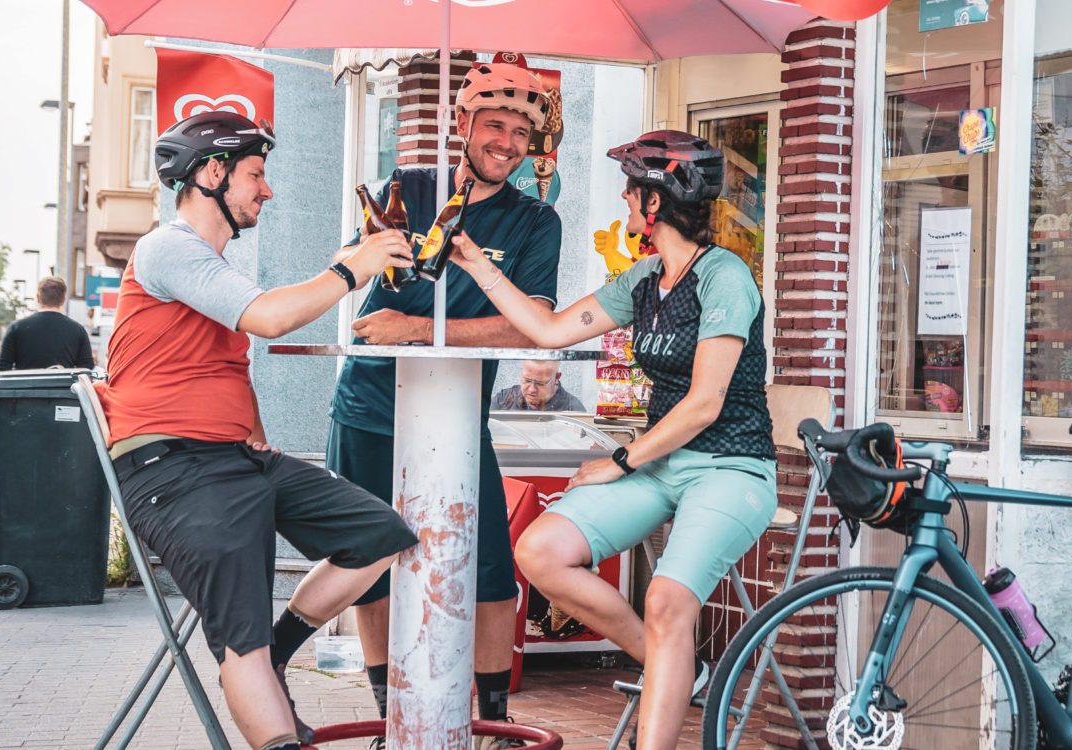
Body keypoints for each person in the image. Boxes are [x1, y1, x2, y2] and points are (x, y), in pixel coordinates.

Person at [99, 111, 419, 750]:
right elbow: (269, 319)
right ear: (212, 173)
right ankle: (263, 678)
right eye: (256, 175)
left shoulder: (210, 265)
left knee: (381, 534)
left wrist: (256, 433)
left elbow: (225, 364)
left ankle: (280, 653)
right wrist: (353, 269)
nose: (267, 190)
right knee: (241, 637)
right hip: (170, 469)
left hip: (229, 458)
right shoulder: (167, 247)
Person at [451, 130, 772, 750]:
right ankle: (674, 664)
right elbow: (547, 331)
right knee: (540, 552)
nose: (623, 199)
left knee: (670, 601)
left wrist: (620, 460)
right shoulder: (646, 280)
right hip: (663, 465)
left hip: (732, 467)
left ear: (655, 203)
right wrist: (478, 265)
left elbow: (705, 405)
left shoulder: (724, 276)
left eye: (631, 188)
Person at [324, 62, 562, 750]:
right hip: (368, 404)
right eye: (495, 125)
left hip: (459, 420)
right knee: (371, 564)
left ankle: (494, 722)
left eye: (521, 132)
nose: (508, 142)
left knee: (490, 570)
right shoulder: (410, 191)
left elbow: (531, 324)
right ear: (461, 125)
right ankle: (387, 713)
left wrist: (416, 328)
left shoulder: (535, 221)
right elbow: (358, 285)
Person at [0, 276, 95, 371]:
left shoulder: (16, 328)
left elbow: (2, 369)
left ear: (38, 298)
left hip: (25, 388)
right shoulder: (78, 330)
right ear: (63, 300)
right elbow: (87, 368)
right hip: (63, 388)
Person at [492, 359, 586, 411]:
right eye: (527, 380)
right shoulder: (503, 401)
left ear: (556, 377)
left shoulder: (573, 409)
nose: (532, 390)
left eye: (540, 383)